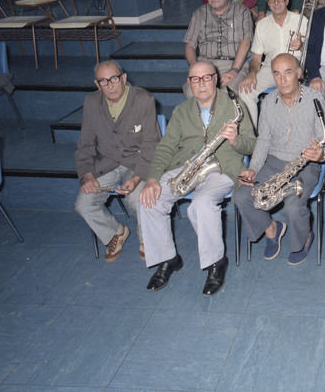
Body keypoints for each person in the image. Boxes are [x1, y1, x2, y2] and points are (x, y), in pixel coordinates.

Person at [139, 61, 256, 296]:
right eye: (195, 79)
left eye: (206, 77)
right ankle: (167, 259)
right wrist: (152, 179)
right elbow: (165, 148)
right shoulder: (181, 111)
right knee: (150, 200)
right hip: (187, 165)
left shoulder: (235, 106)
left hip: (222, 168)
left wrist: (235, 140)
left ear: (216, 79)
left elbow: (252, 145)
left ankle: (216, 263)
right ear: (189, 83)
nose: (201, 84)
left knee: (201, 205)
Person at [233, 54, 325, 266]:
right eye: (277, 74)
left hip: (306, 164)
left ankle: (303, 239)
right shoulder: (268, 102)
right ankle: (272, 229)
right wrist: (253, 168)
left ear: (298, 73)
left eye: (288, 72)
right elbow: (263, 141)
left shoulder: (316, 99)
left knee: (293, 208)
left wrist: (321, 154)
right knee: (241, 196)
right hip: (274, 162)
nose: (283, 79)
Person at [75, 61, 160, 262]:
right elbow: (85, 144)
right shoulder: (91, 102)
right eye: (103, 81)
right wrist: (87, 175)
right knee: (84, 204)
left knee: (138, 198)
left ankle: (147, 239)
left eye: (114, 79)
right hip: (106, 164)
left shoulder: (143, 100)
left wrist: (138, 178)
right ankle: (115, 232)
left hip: (137, 163)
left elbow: (151, 145)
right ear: (97, 85)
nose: (110, 85)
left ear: (123, 78)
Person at [239, 0, 306, 128]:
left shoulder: (301, 20)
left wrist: (301, 46)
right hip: (271, 70)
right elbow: (256, 58)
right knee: (245, 91)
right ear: (267, 2)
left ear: (287, 0)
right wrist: (251, 74)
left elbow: (312, 52)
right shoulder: (262, 25)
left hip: (295, 70)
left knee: (289, 93)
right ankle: (253, 136)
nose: (276, 2)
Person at [184, 0, 253, 96]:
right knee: (192, 92)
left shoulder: (242, 12)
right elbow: (190, 46)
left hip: (233, 64)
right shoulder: (199, 14)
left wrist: (234, 70)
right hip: (206, 64)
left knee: (227, 94)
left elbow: (245, 43)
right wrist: (196, 69)